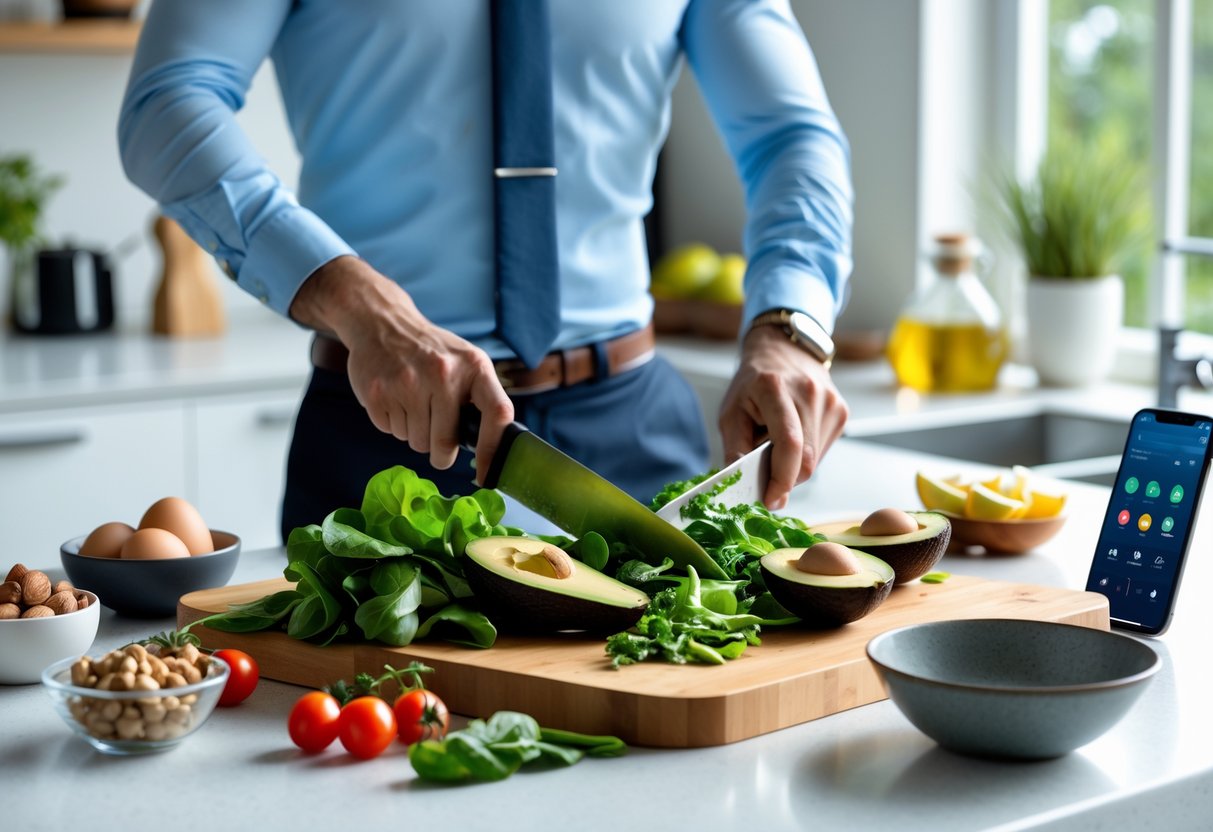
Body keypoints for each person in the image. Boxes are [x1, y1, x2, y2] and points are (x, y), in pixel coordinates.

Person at [118, 0, 853, 543]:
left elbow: (790, 136)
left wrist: (789, 325)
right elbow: (166, 103)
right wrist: (360, 303)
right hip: (385, 440)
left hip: (633, 438)